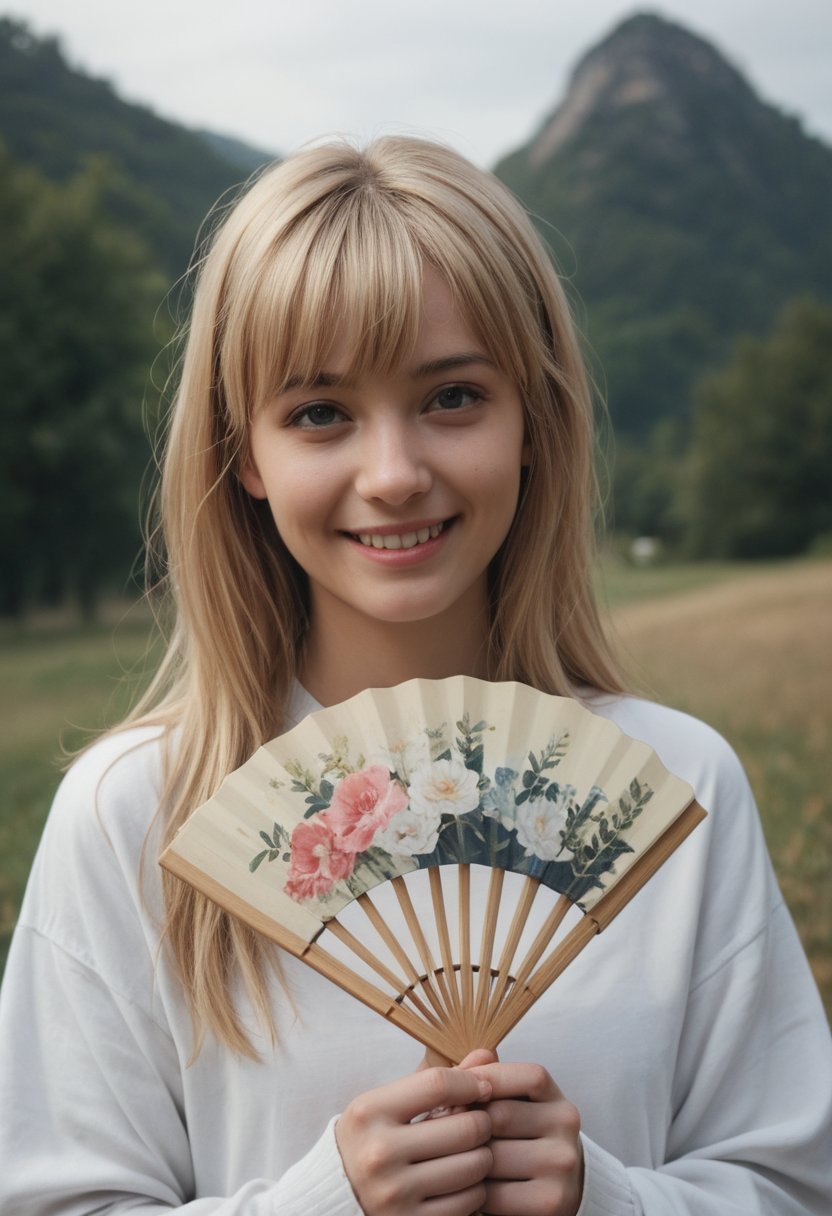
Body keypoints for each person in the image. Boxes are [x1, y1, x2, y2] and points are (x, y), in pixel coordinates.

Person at [0, 136, 830, 1216]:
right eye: (318, 413)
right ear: (242, 454)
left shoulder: (673, 787)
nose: (393, 474)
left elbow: (790, 1186)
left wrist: (611, 1201)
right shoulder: (132, 819)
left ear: (532, 418)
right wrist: (323, 1202)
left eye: (451, 398)